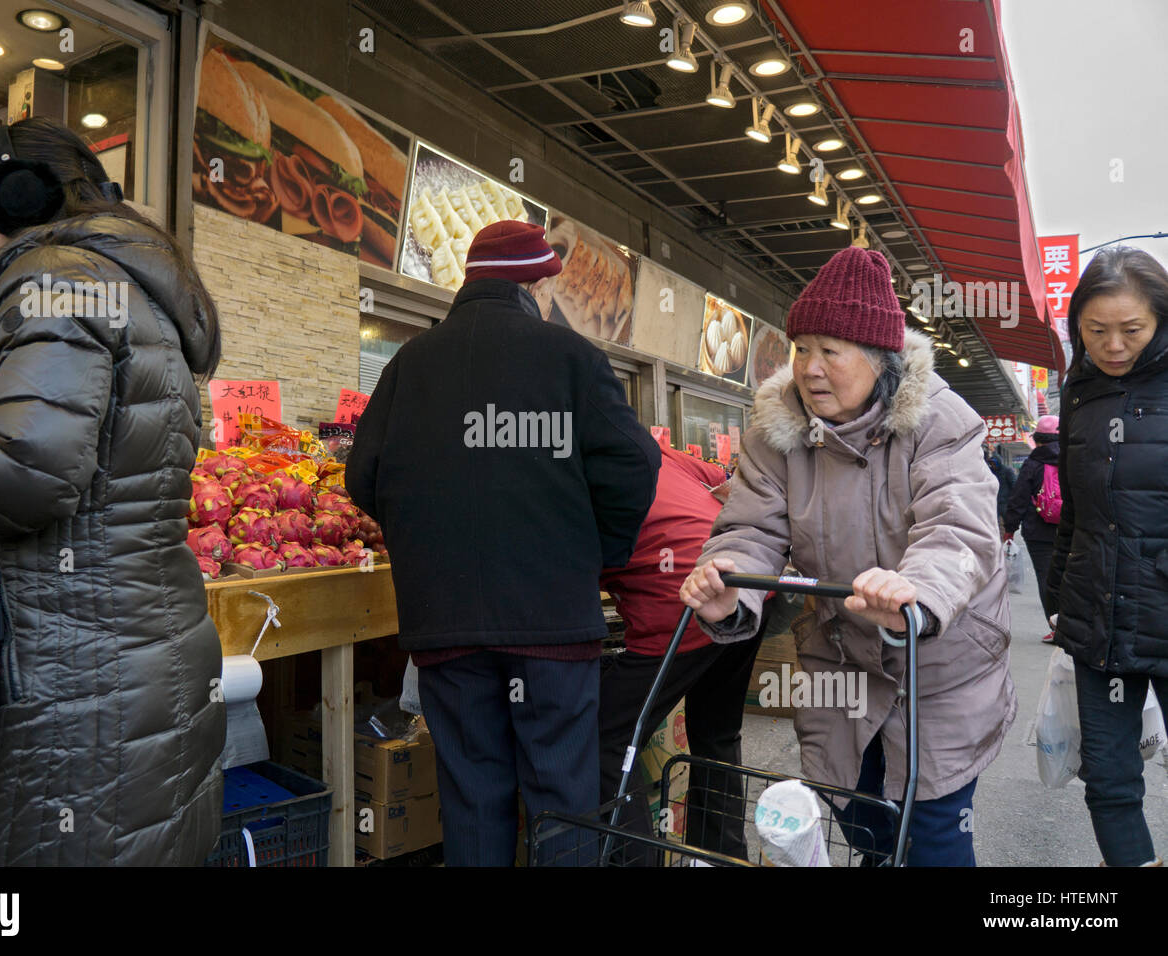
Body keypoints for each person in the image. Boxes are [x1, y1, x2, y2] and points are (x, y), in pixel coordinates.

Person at [0, 117, 225, 865]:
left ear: (14, 202)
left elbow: (23, 474)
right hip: (141, 651)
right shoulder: (125, 286)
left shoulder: (55, 281)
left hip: (79, 669)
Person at [679, 245, 1016, 867]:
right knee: (857, 820)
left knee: (934, 834)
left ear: (879, 357)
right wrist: (732, 585)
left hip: (937, 666)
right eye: (801, 347)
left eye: (830, 350)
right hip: (841, 664)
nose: (809, 368)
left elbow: (958, 529)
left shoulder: (940, 421)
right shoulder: (774, 433)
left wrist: (913, 594)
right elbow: (750, 526)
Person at [347, 220, 660, 866]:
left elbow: (363, 476)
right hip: (551, 628)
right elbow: (636, 466)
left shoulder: (410, 362)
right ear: (535, 284)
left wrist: (428, 543)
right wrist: (595, 553)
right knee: (560, 807)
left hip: (445, 630)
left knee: (473, 802)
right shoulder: (572, 358)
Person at [1044, 247, 1168, 867]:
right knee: (1111, 780)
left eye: (1132, 330)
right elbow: (1076, 506)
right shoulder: (1080, 392)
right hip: (1098, 615)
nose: (1113, 345)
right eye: (1096, 331)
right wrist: (1059, 592)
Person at [598, 445, 768, 861]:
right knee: (716, 735)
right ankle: (721, 857)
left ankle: (639, 860)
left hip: (683, 600)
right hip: (743, 584)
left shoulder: (567, 471)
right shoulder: (651, 450)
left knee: (603, 739)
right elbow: (725, 484)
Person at [1002, 415, 1062, 642]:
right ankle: (1076, 628)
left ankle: (1057, 628)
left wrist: (1010, 528)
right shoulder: (1075, 459)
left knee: (1047, 580)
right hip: (1073, 530)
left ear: (1038, 439)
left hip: (1039, 534)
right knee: (1072, 578)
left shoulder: (1033, 464)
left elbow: (1017, 498)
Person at [985, 445, 1015, 525]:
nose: (992, 466)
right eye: (991, 464)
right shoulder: (990, 471)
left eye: (993, 463)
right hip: (994, 501)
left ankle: (1007, 535)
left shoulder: (1007, 471)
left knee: (1007, 522)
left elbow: (1013, 485)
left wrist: (1012, 500)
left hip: (1005, 501)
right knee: (995, 522)